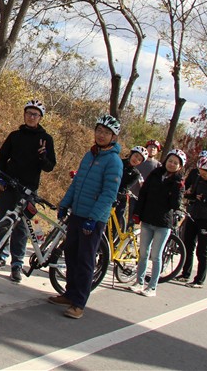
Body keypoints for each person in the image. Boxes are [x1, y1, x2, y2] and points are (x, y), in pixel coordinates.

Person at [47, 114, 123, 319]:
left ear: (114, 137)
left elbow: (109, 194)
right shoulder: (89, 155)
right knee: (70, 255)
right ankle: (69, 293)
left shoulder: (114, 161)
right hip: (77, 213)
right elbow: (77, 182)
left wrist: (94, 217)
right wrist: (65, 204)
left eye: (107, 132)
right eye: (99, 130)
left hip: (93, 219)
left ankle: (79, 303)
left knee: (85, 259)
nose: (101, 135)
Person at [0, 99, 56, 282]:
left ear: (40, 118)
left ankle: (17, 264)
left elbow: (50, 166)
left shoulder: (46, 139)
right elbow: (2, 157)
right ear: (24, 115)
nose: (31, 117)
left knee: (21, 227)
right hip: (9, 184)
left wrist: (43, 157)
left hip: (29, 189)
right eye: (28, 113)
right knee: (3, 221)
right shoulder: (15, 135)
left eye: (35, 114)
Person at [130, 148, 186, 297]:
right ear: (165, 161)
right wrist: (138, 213)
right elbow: (143, 194)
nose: (172, 164)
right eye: (170, 161)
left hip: (163, 223)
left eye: (176, 163)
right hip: (148, 219)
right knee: (143, 253)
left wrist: (176, 187)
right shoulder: (155, 174)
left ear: (180, 166)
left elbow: (175, 204)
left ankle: (152, 287)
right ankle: (139, 282)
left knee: (156, 255)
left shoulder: (178, 182)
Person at [175, 154, 207, 288]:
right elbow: (193, 194)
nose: (202, 175)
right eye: (201, 173)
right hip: (194, 215)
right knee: (188, 246)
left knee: (202, 250)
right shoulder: (198, 179)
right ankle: (185, 274)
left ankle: (199, 280)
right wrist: (188, 196)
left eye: (205, 174)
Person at [115, 146, 145, 230]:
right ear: (131, 154)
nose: (136, 159)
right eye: (135, 156)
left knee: (116, 222)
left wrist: (121, 193)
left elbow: (127, 186)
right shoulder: (118, 162)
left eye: (139, 159)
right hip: (109, 191)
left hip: (120, 197)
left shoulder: (136, 174)